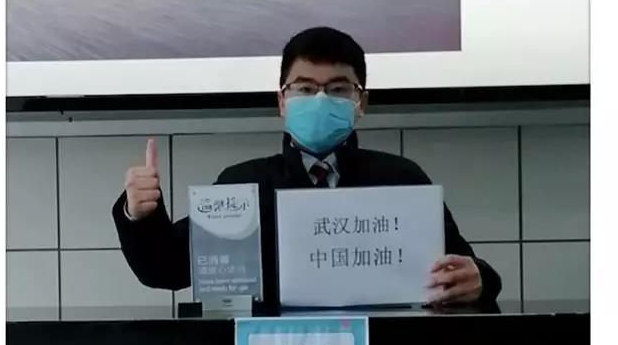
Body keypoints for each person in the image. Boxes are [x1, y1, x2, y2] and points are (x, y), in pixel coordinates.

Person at [113, 26, 501, 307]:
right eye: (304, 88)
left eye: (338, 89)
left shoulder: (402, 180)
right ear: (282, 101)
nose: (319, 99)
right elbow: (166, 270)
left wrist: (479, 279)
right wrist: (140, 215)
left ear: (361, 103)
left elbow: (464, 271)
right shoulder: (243, 184)